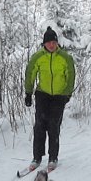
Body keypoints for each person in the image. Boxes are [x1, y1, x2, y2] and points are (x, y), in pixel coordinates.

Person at [23, 25, 77, 171]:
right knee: (39, 126)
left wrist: (67, 93)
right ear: (44, 44)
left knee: (54, 126)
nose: (51, 45)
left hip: (59, 96)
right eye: (48, 43)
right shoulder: (38, 57)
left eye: (53, 42)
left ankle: (53, 158)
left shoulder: (65, 58)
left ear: (57, 43)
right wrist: (28, 92)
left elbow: (71, 76)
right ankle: (37, 157)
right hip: (43, 94)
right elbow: (30, 73)